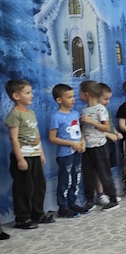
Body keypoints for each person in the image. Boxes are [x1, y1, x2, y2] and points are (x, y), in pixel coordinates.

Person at [5, 80, 48, 229]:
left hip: (35, 155)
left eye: (31, 92)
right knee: (24, 188)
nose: (31, 95)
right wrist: (20, 159)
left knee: (39, 185)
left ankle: (38, 214)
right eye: (28, 93)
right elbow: (13, 138)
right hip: (23, 156)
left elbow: (36, 134)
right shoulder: (15, 114)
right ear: (16, 96)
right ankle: (22, 218)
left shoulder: (31, 113)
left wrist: (41, 152)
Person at [79, 80, 119, 210]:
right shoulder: (84, 110)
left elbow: (106, 128)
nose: (78, 95)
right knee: (88, 174)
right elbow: (82, 129)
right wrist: (82, 140)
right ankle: (90, 200)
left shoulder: (101, 109)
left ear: (86, 94)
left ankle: (112, 199)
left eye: (80, 93)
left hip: (100, 147)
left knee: (104, 173)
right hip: (87, 147)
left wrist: (91, 121)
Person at [48, 84, 85, 218]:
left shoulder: (75, 113)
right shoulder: (56, 117)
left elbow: (79, 132)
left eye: (73, 96)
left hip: (77, 152)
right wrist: (71, 144)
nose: (73, 99)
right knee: (65, 180)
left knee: (76, 178)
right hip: (65, 154)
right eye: (69, 97)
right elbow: (52, 138)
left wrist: (82, 142)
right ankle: (63, 207)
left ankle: (72, 203)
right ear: (59, 100)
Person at [97, 83, 124, 204]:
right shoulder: (94, 112)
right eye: (105, 99)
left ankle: (109, 192)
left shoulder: (105, 110)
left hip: (109, 143)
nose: (108, 102)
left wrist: (116, 133)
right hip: (100, 144)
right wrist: (108, 135)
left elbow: (110, 126)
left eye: (109, 99)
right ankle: (100, 194)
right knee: (100, 170)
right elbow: (94, 130)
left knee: (107, 169)